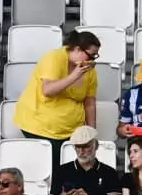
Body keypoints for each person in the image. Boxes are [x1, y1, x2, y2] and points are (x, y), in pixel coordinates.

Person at [13, 30, 100, 167]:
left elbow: (89, 103)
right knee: (51, 169)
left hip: (71, 131)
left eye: (95, 57)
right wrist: (74, 76)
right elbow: (48, 90)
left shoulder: (90, 71)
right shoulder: (54, 58)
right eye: (90, 55)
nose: (92, 61)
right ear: (77, 49)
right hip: (40, 127)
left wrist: (91, 133)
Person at [49, 125, 123, 195]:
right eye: (77, 147)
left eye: (85, 147)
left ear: (96, 146)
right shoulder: (62, 171)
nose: (81, 151)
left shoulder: (108, 172)